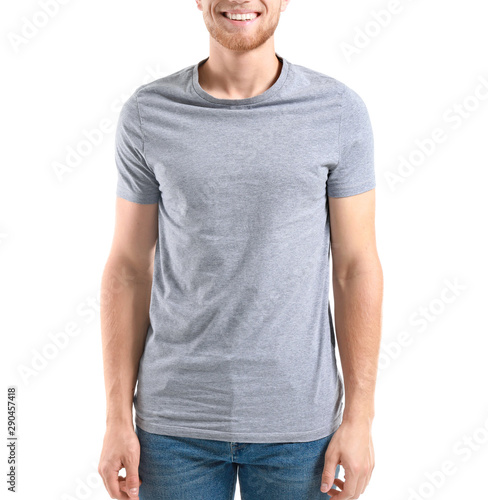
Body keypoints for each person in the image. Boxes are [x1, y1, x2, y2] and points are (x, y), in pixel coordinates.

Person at [97, 0, 384, 499]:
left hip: (299, 427)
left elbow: (355, 267)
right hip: (172, 427)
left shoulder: (337, 112)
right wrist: (116, 418)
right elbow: (127, 268)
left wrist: (360, 420)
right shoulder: (149, 113)